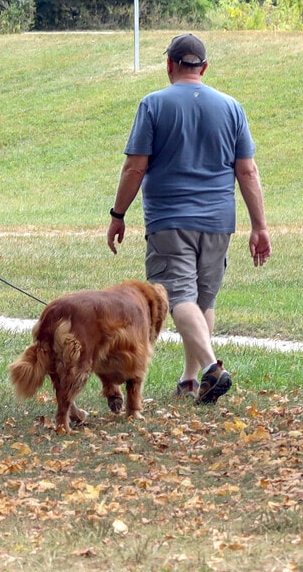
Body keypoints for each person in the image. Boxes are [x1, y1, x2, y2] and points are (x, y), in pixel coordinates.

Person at [106, 33, 270, 404]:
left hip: (170, 218)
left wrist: (118, 214)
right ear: (204, 68)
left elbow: (135, 168)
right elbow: (247, 172)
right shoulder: (231, 107)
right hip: (218, 220)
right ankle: (190, 380)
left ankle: (212, 368)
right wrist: (259, 226)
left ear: (170, 65)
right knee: (203, 300)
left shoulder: (153, 104)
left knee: (178, 296)